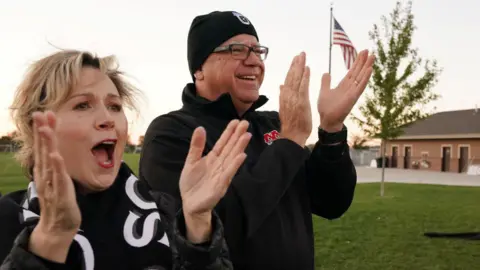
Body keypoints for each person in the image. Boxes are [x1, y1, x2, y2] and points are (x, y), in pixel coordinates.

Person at [139, 11, 375, 270]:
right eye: (238, 49)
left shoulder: (275, 125)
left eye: (258, 50)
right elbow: (215, 232)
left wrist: (331, 131)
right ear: (199, 68)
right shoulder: (171, 134)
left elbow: (331, 202)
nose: (254, 61)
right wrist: (291, 141)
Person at [0, 50, 253, 269]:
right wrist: (50, 241)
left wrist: (197, 222)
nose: (107, 119)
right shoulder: (7, 219)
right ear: (38, 125)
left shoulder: (165, 210)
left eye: (114, 106)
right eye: (82, 105)